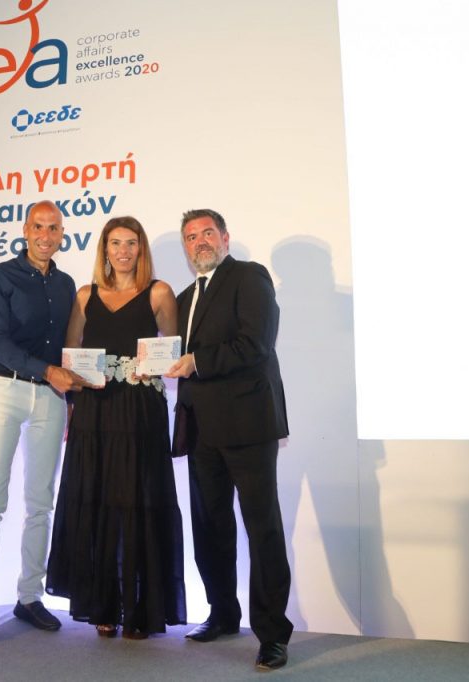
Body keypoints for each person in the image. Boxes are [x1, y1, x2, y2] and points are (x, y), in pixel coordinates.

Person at [46, 216, 187, 638]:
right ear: (104, 250)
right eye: (115, 243)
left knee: (137, 502)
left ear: (141, 249)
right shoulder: (84, 295)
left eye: (131, 243)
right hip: (94, 409)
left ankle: (140, 609)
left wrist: (155, 367)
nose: (123, 251)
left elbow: (171, 351)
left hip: (139, 410)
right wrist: (73, 402)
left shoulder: (159, 292)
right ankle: (103, 605)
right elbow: (71, 351)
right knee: (97, 501)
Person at [165, 209, 292, 671]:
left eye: (207, 233)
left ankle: (273, 635)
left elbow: (255, 343)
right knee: (210, 527)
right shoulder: (183, 298)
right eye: (190, 236)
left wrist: (196, 361)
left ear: (225, 238)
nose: (199, 241)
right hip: (201, 429)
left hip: (248, 425)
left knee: (262, 529)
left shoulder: (249, 277)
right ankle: (222, 613)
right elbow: (173, 356)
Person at [0, 201, 90, 643]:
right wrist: (47, 371)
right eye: (38, 226)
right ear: (25, 230)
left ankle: (30, 596)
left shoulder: (67, 284)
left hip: (50, 398)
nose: (45, 236)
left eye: (53, 228)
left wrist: (71, 392)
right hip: (3, 389)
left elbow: (69, 348)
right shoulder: (0, 276)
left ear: (62, 234)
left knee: (40, 502)